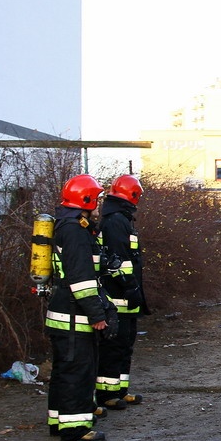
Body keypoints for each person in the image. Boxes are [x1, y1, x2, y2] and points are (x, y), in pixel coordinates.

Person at [46, 174, 117, 441]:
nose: (99, 203)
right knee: (78, 370)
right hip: (74, 316)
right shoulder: (74, 230)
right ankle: (75, 428)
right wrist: (97, 315)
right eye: (97, 198)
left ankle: (58, 421)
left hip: (65, 312)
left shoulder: (70, 225)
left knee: (65, 369)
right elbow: (82, 279)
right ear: (85, 199)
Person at [96, 174, 149, 411]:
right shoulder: (116, 221)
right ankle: (107, 394)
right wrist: (130, 287)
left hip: (127, 295)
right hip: (119, 296)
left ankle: (120, 390)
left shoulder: (120, 218)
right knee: (114, 346)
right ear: (133, 195)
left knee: (125, 344)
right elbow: (118, 260)